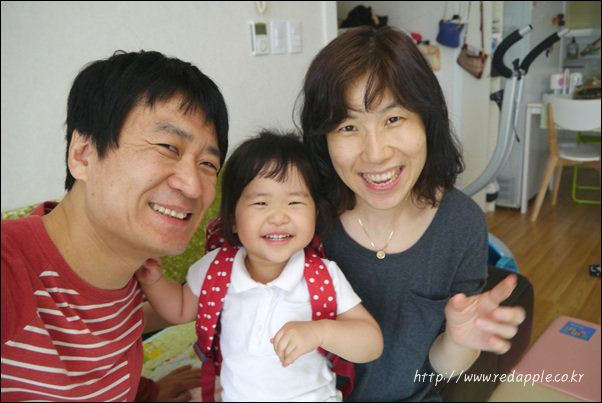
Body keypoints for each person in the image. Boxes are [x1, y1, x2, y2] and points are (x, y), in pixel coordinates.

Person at [299, 26, 526, 401]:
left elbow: (442, 366)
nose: (376, 154)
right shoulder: (304, 218)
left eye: (393, 119)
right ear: (323, 139)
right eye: (348, 126)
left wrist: (458, 340)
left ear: (426, 120)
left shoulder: (462, 224)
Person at [1, 50, 229, 401]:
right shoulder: (10, 272)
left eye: (208, 164)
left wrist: (147, 392)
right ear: (83, 154)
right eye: (168, 147)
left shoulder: (131, 273)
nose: (194, 187)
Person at [135, 130, 384, 401]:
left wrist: (320, 332)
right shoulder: (217, 269)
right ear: (232, 219)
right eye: (261, 202)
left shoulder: (322, 276)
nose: (278, 216)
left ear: (315, 213)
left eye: (294, 202)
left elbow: (371, 343)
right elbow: (181, 308)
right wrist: (154, 282)